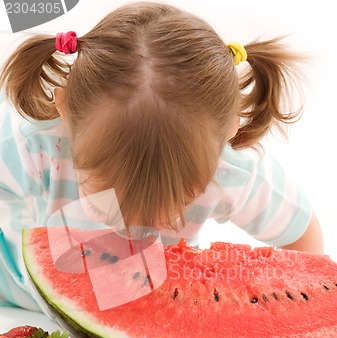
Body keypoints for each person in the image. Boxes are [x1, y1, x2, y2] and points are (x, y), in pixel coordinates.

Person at [0, 2, 323, 311]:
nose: (136, 226)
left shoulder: (231, 173)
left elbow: (302, 235)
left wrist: (298, 309)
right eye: (110, 190)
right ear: (67, 112)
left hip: (154, 299)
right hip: (13, 288)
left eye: (181, 197)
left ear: (228, 134)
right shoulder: (34, 146)